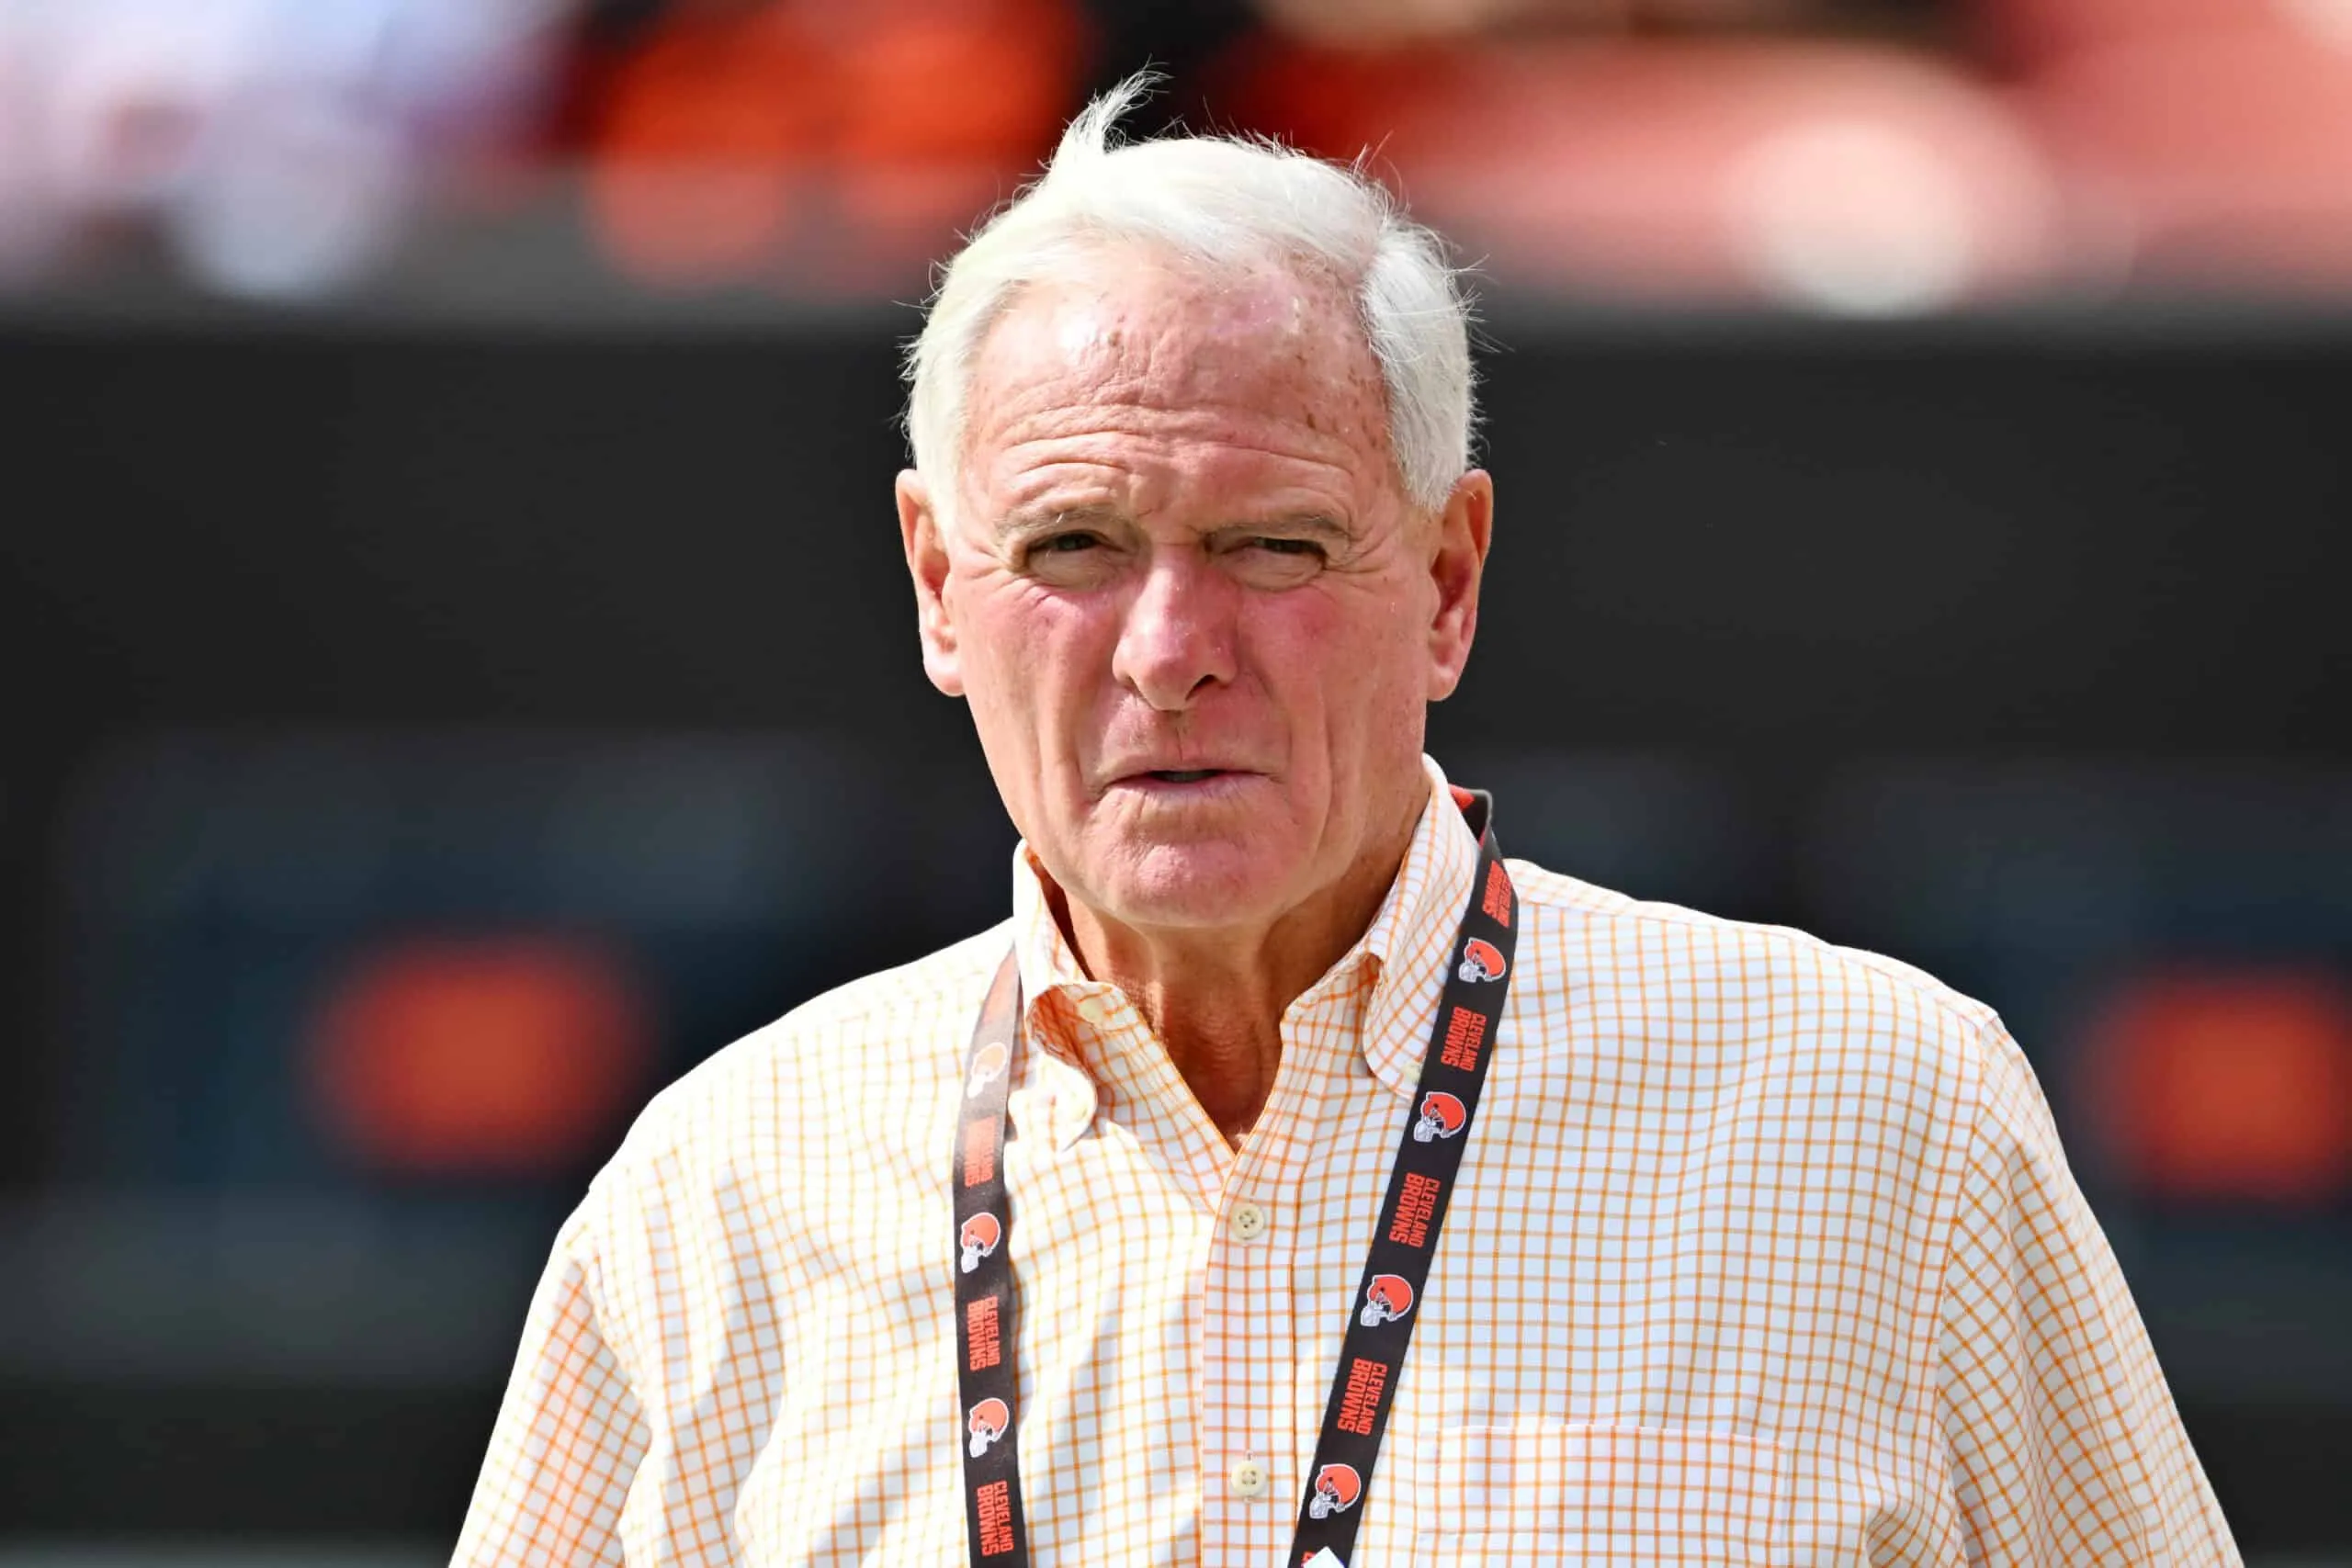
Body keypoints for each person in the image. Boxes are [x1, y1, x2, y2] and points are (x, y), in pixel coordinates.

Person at [453, 78, 2241, 1566]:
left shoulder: (1875, 1117)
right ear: (937, 586)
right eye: (1072, 547)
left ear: (1447, 579)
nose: (1169, 654)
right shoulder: (715, 1199)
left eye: (1271, 546)